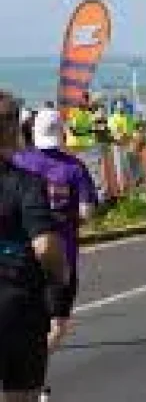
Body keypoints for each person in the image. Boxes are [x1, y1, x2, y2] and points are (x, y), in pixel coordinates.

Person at [13, 109, 97, 402]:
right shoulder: (75, 168)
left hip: (20, 256)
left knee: (21, 320)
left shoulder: (19, 162)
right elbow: (87, 213)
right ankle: (31, 378)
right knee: (57, 323)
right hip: (60, 257)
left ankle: (27, 379)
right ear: (62, 132)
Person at [0, 91, 69, 402]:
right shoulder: (25, 184)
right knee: (21, 394)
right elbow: (45, 247)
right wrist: (59, 277)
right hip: (15, 305)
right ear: (15, 130)